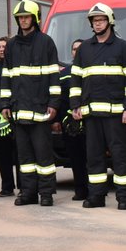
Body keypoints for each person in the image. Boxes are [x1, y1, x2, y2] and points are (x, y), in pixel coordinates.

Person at [69, 3, 126, 210]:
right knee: (94, 157)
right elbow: (76, 80)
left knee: (120, 156)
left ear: (109, 21)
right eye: (94, 21)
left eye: (101, 20)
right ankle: (96, 196)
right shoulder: (84, 49)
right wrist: (75, 105)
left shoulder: (123, 47)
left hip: (116, 115)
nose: (97, 24)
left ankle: (124, 197)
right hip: (91, 115)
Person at [1, 0, 60, 207]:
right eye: (20, 18)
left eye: (26, 17)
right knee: (24, 158)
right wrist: (5, 104)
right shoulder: (11, 45)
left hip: (41, 111)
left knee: (44, 157)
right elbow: (6, 76)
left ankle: (46, 193)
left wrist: (54, 103)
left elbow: (54, 76)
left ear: (34, 18)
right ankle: (27, 193)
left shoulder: (46, 43)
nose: (23, 20)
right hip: (19, 111)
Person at [55, 38, 87, 201]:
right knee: (75, 158)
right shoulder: (64, 73)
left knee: (93, 157)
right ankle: (80, 190)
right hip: (70, 124)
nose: (76, 51)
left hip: (91, 121)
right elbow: (59, 99)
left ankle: (96, 189)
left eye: (80, 48)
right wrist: (59, 120)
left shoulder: (91, 70)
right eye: (74, 49)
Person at [0, 36, 18, 197]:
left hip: (15, 115)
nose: (1, 49)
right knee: (2, 153)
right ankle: (7, 187)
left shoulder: (16, 67)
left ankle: (24, 186)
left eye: (4, 46)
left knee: (20, 152)